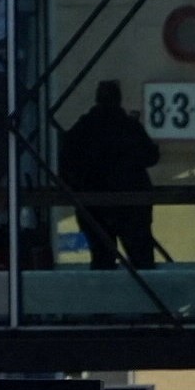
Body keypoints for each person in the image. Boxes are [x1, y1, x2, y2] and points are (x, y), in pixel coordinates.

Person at [59, 81, 160, 271]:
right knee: (142, 261)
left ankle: (103, 296)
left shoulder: (82, 129)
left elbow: (65, 166)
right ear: (118, 99)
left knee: (102, 260)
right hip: (131, 205)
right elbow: (151, 156)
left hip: (94, 205)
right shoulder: (128, 127)